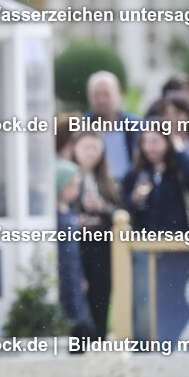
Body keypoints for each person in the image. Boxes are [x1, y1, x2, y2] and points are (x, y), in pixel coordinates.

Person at [71, 131, 120, 341]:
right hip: (76, 247)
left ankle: (99, 341)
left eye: (95, 148)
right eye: (86, 147)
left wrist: (103, 207)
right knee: (78, 299)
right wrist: (76, 220)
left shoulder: (108, 181)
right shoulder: (68, 175)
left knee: (101, 296)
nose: (91, 153)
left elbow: (122, 214)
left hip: (101, 247)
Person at [122, 127, 189, 233]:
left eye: (154, 142)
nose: (148, 148)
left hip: (177, 236)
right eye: (145, 142)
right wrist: (133, 200)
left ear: (167, 142)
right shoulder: (137, 172)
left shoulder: (179, 168)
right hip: (146, 238)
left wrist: (180, 152)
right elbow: (123, 202)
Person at [56, 159, 95, 349]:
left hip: (73, 273)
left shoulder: (70, 211)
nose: (75, 190)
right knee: (68, 321)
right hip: (62, 275)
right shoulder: (55, 215)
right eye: (71, 185)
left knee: (81, 320)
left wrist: (80, 276)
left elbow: (75, 253)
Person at [84, 71, 141, 186]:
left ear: (119, 94)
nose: (101, 101)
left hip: (130, 188)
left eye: (106, 94)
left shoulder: (136, 126)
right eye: (96, 95)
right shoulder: (80, 128)